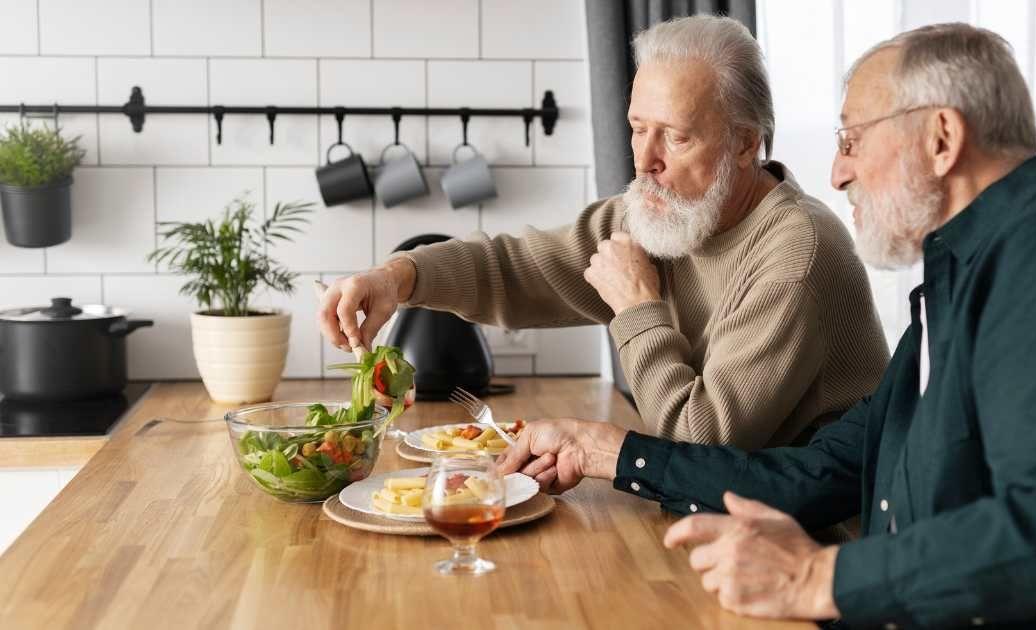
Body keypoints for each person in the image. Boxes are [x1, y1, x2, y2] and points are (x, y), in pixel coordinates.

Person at [496, 22, 1036, 627]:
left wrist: (815, 579)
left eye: (852, 139)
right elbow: (816, 474)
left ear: (942, 137)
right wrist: (606, 450)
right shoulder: (958, 284)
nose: (834, 173)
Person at [319, 16, 888, 450]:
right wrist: (399, 277)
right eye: (638, 129)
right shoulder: (672, 211)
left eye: (676, 137)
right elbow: (518, 269)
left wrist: (637, 308)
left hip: (812, 560)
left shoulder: (795, 253)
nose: (645, 160)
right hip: (718, 525)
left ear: (745, 143)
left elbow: (701, 438)